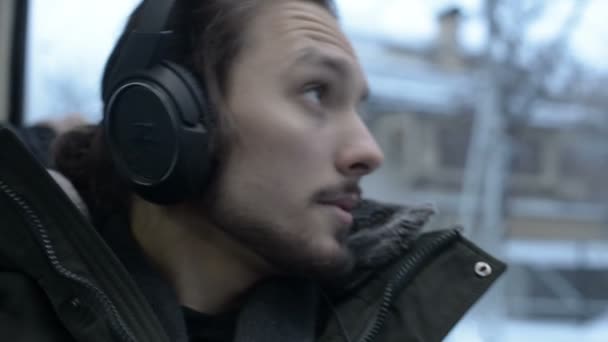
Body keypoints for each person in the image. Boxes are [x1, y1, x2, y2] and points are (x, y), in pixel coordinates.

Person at [0, 0, 506, 341]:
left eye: (359, 108)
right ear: (160, 117)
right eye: (315, 92)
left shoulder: (381, 318)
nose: (368, 150)